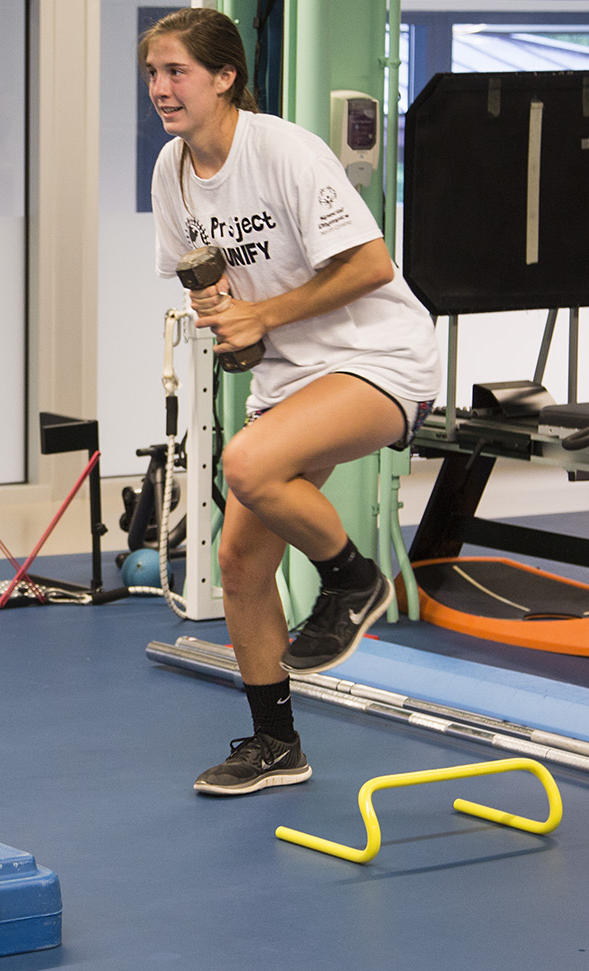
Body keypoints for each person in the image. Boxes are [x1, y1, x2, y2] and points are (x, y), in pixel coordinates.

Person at [141, 9, 443, 796]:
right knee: (239, 560)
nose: (161, 89)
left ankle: (350, 578)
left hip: (378, 358)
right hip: (290, 374)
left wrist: (265, 316)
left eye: (176, 72)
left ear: (224, 77)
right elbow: (215, 290)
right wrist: (235, 330)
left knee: (248, 462)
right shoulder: (172, 173)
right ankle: (277, 744)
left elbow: (373, 265)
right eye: (152, 74)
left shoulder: (283, 150)